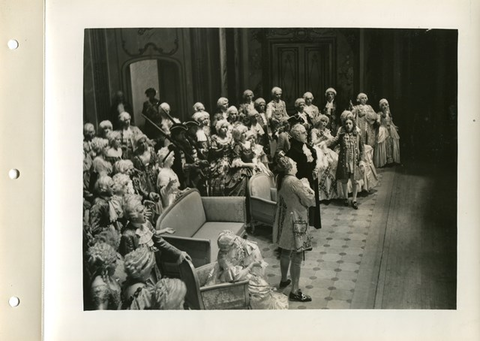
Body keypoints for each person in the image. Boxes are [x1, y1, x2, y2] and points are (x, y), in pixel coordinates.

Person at [205, 230, 288, 309]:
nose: (236, 242)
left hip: (238, 273)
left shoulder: (228, 249)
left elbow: (242, 243)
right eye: (234, 242)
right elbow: (236, 276)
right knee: (261, 289)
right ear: (228, 246)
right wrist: (251, 266)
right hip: (232, 280)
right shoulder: (224, 259)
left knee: (261, 283)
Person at [272, 154, 316, 302]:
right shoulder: (294, 181)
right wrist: (307, 185)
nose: (296, 164)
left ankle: (284, 279)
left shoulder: (283, 180)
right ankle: (295, 291)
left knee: (285, 252)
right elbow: (310, 200)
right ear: (290, 167)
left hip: (287, 219)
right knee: (297, 257)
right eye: (294, 163)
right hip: (297, 219)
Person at [326, 112, 366, 209]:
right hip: (344, 161)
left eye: (350, 123)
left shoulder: (357, 134)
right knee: (344, 180)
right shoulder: (342, 134)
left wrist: (362, 160)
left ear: (353, 124)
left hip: (354, 160)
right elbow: (333, 142)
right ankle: (345, 197)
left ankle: (354, 199)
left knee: (354, 180)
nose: (348, 125)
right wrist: (323, 143)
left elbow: (362, 148)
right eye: (346, 123)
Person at [286, 123, 321, 229]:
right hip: (301, 183)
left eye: (306, 132)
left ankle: (309, 224)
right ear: (296, 135)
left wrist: (315, 168)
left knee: (312, 203)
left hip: (311, 179)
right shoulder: (293, 151)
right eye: (303, 133)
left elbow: (314, 159)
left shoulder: (307, 147)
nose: (306, 134)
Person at [86, 242, 122, 310]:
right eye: (114, 262)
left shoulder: (108, 277)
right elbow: (101, 316)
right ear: (106, 265)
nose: (117, 264)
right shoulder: (100, 287)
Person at [311, 115, 338, 202]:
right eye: (322, 121)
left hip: (326, 150)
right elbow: (313, 142)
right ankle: (320, 195)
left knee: (331, 165)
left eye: (325, 122)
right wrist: (322, 138)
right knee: (322, 167)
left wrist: (328, 137)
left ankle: (329, 193)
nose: (324, 123)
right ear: (319, 121)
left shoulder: (327, 131)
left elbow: (331, 141)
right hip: (318, 150)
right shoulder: (314, 130)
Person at [208, 119, 232, 196]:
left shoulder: (229, 138)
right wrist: (220, 150)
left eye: (226, 127)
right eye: (223, 127)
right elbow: (213, 152)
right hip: (218, 159)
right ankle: (217, 192)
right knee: (220, 168)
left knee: (226, 166)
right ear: (218, 129)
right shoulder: (215, 138)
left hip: (228, 158)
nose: (225, 129)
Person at [375, 98, 400, 167]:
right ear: (380, 106)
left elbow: (391, 121)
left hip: (390, 129)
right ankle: (384, 161)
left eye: (386, 104)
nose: (384, 106)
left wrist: (394, 126)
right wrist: (378, 121)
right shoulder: (379, 114)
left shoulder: (388, 113)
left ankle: (391, 160)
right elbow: (378, 121)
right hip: (383, 129)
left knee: (391, 143)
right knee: (384, 143)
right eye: (382, 105)